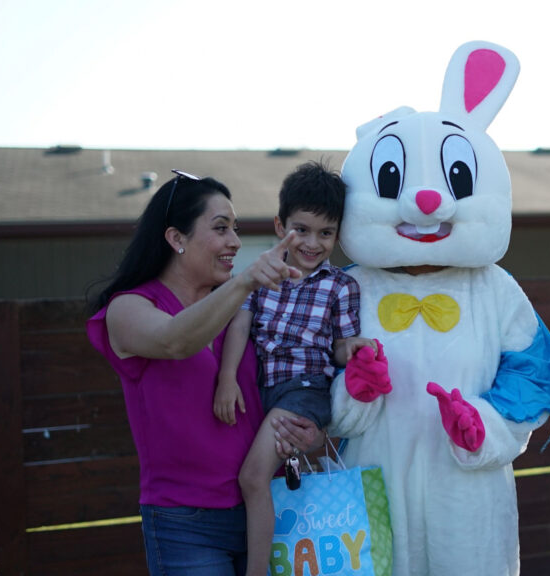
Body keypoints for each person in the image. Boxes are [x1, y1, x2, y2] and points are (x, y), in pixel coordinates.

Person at [86, 170, 325, 576]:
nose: (234, 241)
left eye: (235, 228)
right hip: (185, 526)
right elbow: (174, 341)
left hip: (267, 515)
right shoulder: (129, 309)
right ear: (176, 239)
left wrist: (312, 439)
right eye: (220, 228)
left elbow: (288, 392)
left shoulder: (246, 312)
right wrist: (247, 281)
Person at [214, 161, 376, 576]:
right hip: (263, 389)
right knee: (261, 480)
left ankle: (256, 572)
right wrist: (227, 378)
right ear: (279, 225)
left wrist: (352, 348)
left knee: (253, 478)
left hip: (304, 389)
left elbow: (338, 348)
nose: (313, 242)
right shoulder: (262, 275)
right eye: (301, 229)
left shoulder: (341, 285)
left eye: (326, 233)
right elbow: (241, 323)